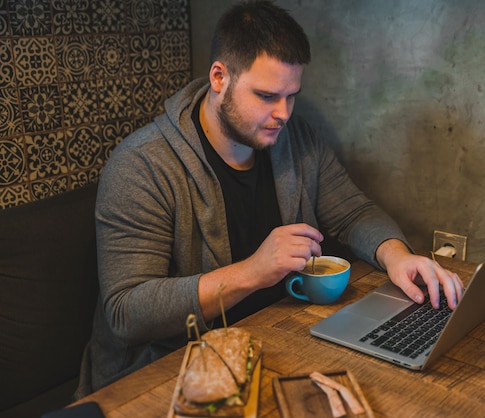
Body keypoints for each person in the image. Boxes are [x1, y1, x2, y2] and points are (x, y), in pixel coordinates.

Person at [75, 0, 464, 398]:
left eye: (291, 95)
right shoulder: (142, 165)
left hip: (271, 343)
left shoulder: (295, 141)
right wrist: (252, 272)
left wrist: (397, 256)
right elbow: (127, 312)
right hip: (162, 378)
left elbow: (353, 212)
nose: (283, 113)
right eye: (265, 95)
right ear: (219, 77)